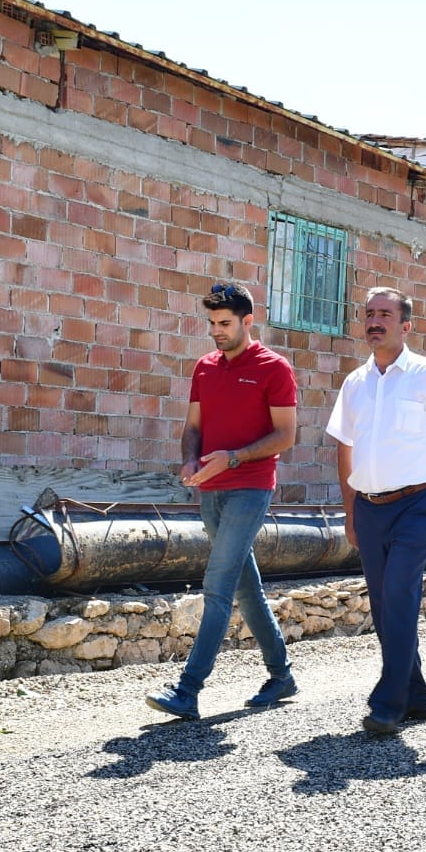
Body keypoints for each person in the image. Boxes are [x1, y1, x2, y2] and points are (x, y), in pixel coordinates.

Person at [326, 287, 426, 736]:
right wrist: (349, 512)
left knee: (399, 595)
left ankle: (389, 702)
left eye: (385, 314)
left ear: (405, 326)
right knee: (384, 606)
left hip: (418, 504)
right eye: (369, 314)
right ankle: (416, 695)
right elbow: (345, 448)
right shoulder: (355, 383)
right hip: (369, 507)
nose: (375, 321)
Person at [145, 283, 300, 722]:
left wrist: (233, 457)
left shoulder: (274, 368)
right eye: (211, 323)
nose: (216, 331)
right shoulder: (205, 367)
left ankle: (188, 689)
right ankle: (281, 675)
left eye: (225, 323)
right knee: (244, 585)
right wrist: (191, 459)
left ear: (247, 322)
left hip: (251, 487)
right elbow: (192, 425)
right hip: (209, 490)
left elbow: (285, 436)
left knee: (216, 585)